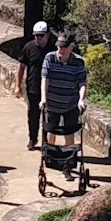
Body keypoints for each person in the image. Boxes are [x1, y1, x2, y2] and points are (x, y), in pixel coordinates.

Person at [41, 32, 88, 174]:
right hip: (52, 103)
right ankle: (51, 160)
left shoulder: (78, 62)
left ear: (71, 47)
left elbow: (82, 83)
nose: (61, 50)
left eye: (64, 47)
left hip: (70, 104)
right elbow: (45, 79)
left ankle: (68, 165)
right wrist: (44, 98)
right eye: (59, 47)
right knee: (51, 131)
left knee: (69, 133)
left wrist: (81, 99)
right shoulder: (50, 58)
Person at [15, 20, 52, 149]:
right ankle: (32, 138)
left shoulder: (53, 49)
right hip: (33, 87)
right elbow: (21, 67)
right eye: (36, 35)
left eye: (41, 35)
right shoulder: (29, 47)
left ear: (47, 35)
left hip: (50, 89)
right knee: (33, 115)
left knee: (49, 117)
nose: (38, 38)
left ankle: (46, 142)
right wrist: (18, 85)